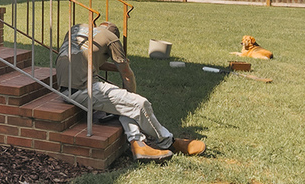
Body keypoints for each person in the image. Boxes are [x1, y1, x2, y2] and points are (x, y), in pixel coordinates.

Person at [55, 21, 206, 162]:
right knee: (139, 104)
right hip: (83, 89)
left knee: (124, 105)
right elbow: (126, 74)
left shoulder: (78, 29)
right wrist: (131, 92)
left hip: (63, 87)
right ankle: (168, 142)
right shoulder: (112, 38)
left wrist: (114, 71)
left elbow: (86, 60)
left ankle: (138, 145)